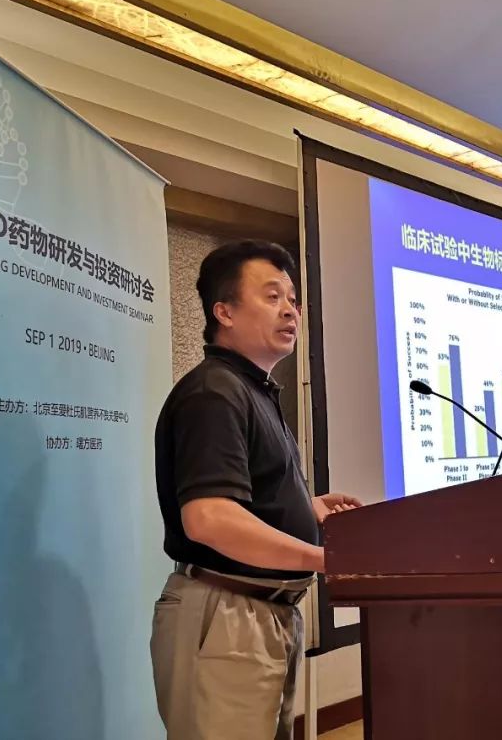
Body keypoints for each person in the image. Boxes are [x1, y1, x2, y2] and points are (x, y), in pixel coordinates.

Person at [151, 240, 361, 739]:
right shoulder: (214, 392)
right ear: (223, 311)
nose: (290, 310)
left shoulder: (252, 389)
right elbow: (209, 519)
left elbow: (245, 497)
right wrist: (324, 559)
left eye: (293, 299)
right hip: (226, 613)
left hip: (262, 614)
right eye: (271, 296)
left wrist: (306, 507)